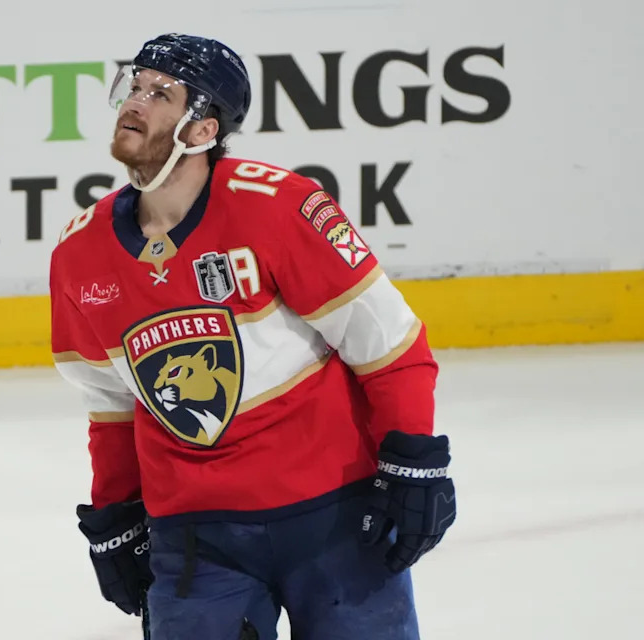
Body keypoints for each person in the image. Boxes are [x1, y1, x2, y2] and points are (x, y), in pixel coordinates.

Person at [49, 32, 457, 640]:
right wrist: (116, 510)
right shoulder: (79, 254)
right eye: (134, 86)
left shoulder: (280, 207)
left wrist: (413, 458)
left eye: (161, 93)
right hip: (196, 532)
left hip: (336, 514)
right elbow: (110, 404)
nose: (135, 101)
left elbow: (388, 345)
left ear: (202, 130)